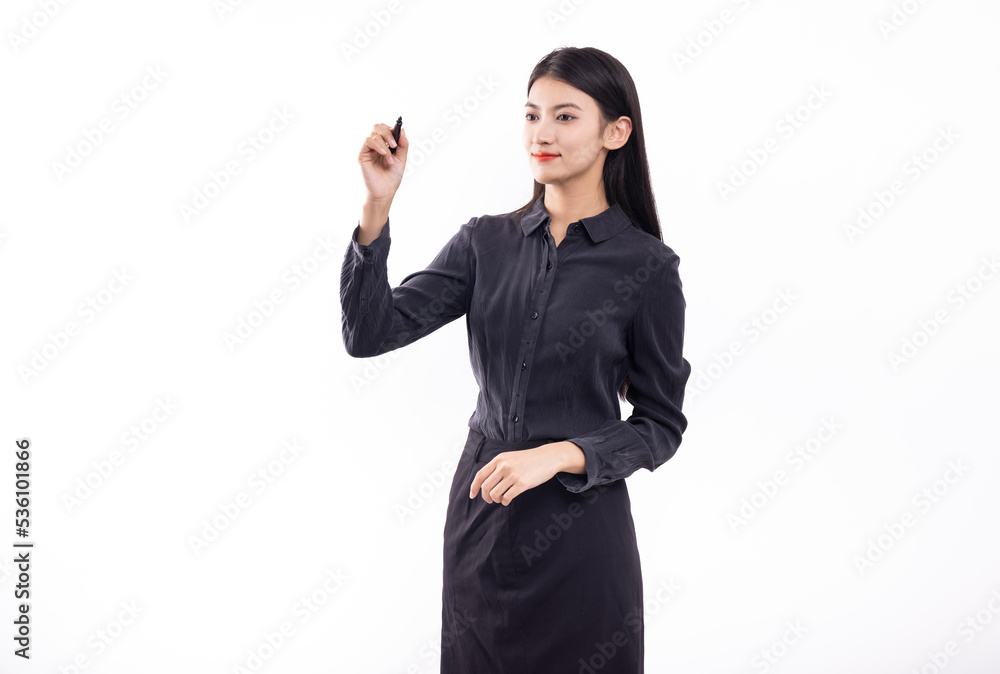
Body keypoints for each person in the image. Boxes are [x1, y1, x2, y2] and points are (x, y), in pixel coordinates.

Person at [340, 46, 691, 674]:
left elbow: (660, 425)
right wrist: (377, 207)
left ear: (616, 132)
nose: (541, 134)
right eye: (531, 116)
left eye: (564, 117)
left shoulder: (646, 268)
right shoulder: (485, 243)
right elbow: (369, 333)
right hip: (483, 523)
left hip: (583, 534)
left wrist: (559, 454)